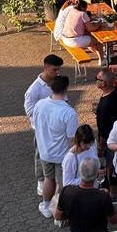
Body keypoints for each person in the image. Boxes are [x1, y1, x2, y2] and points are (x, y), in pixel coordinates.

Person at [32, 75, 78, 219]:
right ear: (66, 89)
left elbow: (36, 125)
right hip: (62, 154)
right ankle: (63, 210)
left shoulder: (39, 104)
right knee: (63, 183)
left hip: (44, 152)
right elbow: (72, 139)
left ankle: (46, 206)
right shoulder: (69, 112)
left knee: (48, 178)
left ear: (51, 88)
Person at [24, 53, 65, 197]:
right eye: (55, 69)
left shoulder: (56, 82)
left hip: (57, 129)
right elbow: (30, 111)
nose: (57, 73)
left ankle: (54, 180)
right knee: (40, 154)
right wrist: (48, 114)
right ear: (46, 67)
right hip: (41, 130)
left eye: (59, 69)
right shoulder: (34, 90)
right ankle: (41, 180)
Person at [94, 68, 117, 203]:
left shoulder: (106, 105)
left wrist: (101, 146)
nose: (96, 81)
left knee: (110, 165)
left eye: (98, 79)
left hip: (109, 138)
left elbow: (103, 129)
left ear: (104, 83)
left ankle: (113, 193)